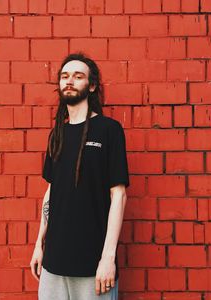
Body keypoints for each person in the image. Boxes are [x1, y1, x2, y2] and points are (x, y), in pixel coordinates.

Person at [30, 52, 130, 300]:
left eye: (78, 76)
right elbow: (52, 192)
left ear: (92, 85)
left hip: (92, 266)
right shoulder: (58, 134)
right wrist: (38, 245)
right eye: (64, 76)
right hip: (53, 265)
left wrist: (108, 258)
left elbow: (119, 194)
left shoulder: (109, 130)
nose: (70, 81)